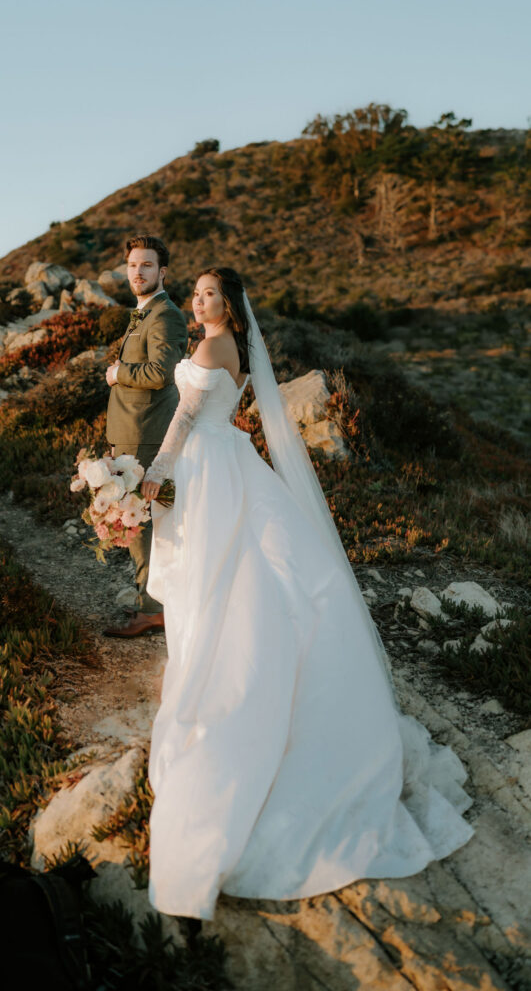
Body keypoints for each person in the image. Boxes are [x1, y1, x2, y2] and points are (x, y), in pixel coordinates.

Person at [139, 267, 474, 921]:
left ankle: (234, 675)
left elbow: (182, 421)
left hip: (209, 467)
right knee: (233, 574)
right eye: (197, 292)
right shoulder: (212, 346)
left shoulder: (212, 348)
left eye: (211, 294)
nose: (200, 300)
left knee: (234, 577)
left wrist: (148, 479)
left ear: (229, 305)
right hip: (220, 465)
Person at [103, 235, 188, 638]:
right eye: (133, 265)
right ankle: (152, 603)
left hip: (146, 434)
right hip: (130, 434)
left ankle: (152, 610)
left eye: (147, 265)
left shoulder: (165, 315)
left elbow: (159, 373)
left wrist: (118, 373)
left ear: (162, 272)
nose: (137, 272)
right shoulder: (142, 312)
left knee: (140, 527)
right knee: (138, 525)